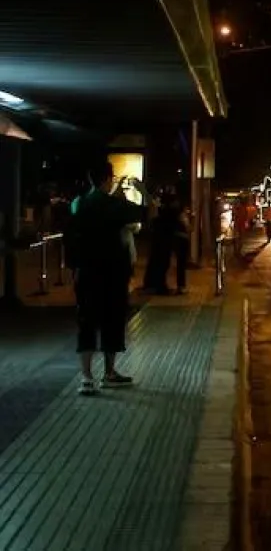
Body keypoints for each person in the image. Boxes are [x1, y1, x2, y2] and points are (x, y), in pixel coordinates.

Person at [65, 161, 149, 396]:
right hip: (113, 271)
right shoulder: (115, 205)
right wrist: (141, 191)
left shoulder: (78, 203)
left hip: (86, 272)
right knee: (112, 320)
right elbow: (145, 212)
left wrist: (74, 268)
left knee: (86, 321)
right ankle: (110, 373)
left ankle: (86, 377)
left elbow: (69, 237)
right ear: (107, 178)